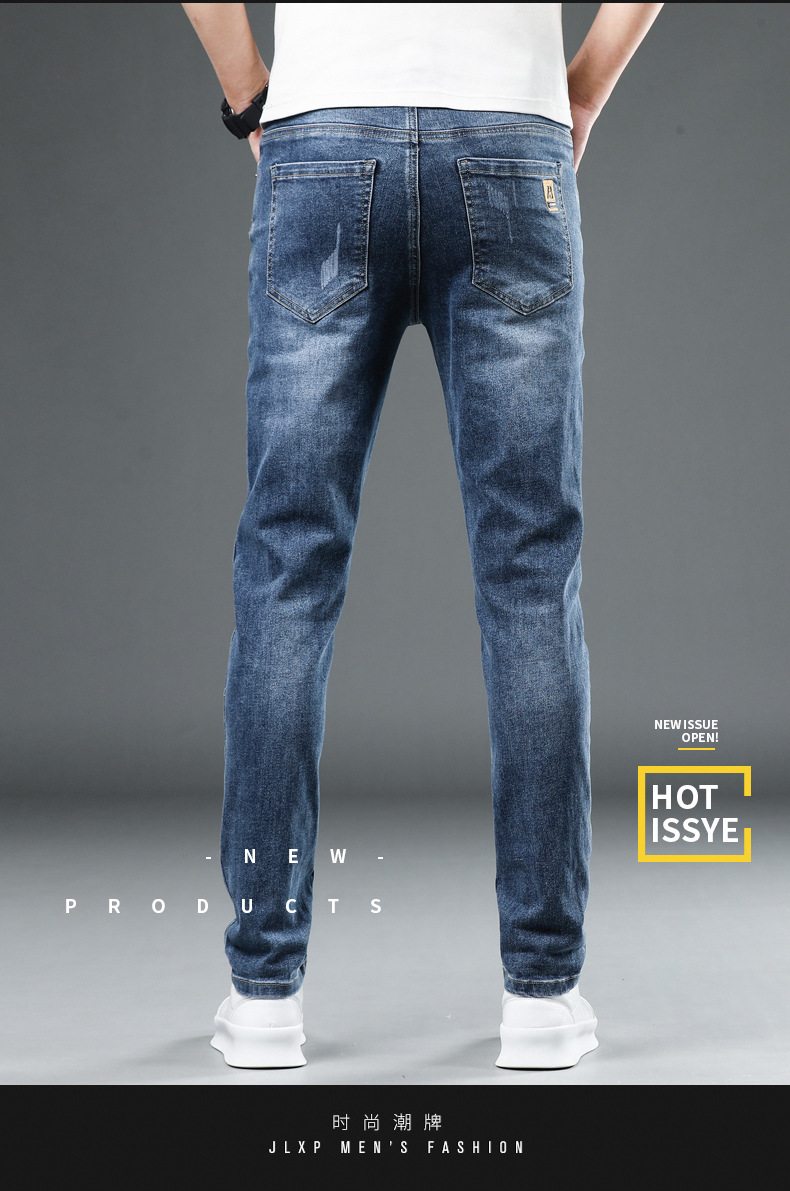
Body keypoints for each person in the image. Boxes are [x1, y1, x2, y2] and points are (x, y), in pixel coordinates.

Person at [181, 1, 663, 1070]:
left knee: (287, 569)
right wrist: (581, 88)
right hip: (509, 134)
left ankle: (262, 996)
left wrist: (252, 92)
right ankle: (542, 996)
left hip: (322, 134)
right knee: (530, 576)